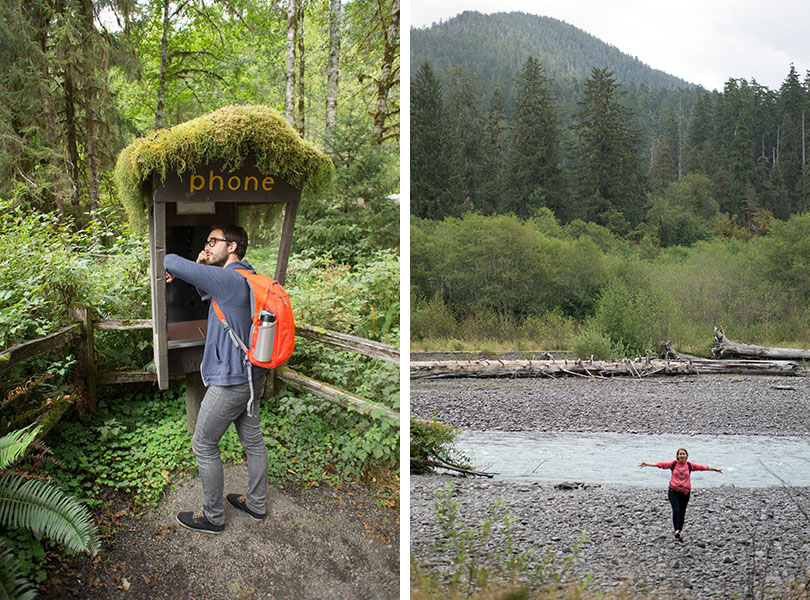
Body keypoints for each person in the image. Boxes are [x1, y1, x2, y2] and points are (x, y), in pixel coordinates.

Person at [164, 224, 269, 534]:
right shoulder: (246, 278)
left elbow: (168, 259)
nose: (207, 246)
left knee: (204, 444)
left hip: (231, 381)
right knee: (252, 440)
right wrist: (201, 266)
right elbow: (209, 296)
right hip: (252, 375)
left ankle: (212, 516)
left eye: (213, 241)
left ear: (232, 246)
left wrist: (191, 267)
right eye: (206, 241)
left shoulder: (228, 278)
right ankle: (257, 503)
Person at [639, 448, 722, 541]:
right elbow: (660, 464)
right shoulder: (673, 464)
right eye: (680, 454)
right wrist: (646, 464)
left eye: (683, 454)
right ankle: (676, 530)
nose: (682, 455)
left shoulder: (690, 465)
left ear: (686, 456)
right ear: (677, 456)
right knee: (676, 510)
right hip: (673, 491)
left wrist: (715, 469)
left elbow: (702, 467)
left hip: (685, 492)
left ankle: (679, 531)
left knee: (682, 512)